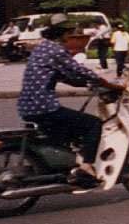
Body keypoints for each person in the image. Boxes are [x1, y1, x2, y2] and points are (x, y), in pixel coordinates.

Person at [16, 14, 120, 168]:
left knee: (65, 133)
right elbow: (79, 70)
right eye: (68, 32)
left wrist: (85, 84)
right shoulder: (57, 50)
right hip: (45, 108)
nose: (70, 35)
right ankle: (86, 166)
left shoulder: (40, 48)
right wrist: (108, 84)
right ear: (61, 33)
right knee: (94, 124)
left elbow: (63, 76)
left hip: (27, 108)